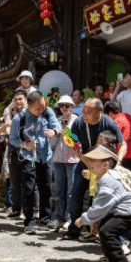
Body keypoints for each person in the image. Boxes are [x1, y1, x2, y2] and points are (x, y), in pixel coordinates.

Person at [75, 145, 131, 262]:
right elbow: (101, 205)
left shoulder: (109, 180)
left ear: (105, 165)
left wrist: (84, 219)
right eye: (90, 160)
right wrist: (95, 221)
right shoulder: (104, 177)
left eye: (94, 160)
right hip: (127, 212)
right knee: (104, 229)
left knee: (107, 231)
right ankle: (111, 257)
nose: (90, 163)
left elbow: (100, 206)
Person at [62, 98, 126, 241]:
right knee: (75, 194)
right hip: (85, 161)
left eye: (88, 112)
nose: (84, 114)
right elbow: (72, 142)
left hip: (103, 166)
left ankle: (98, 232)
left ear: (99, 113)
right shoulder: (78, 123)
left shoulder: (108, 123)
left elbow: (123, 144)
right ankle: (74, 230)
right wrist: (84, 159)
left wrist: (118, 162)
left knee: (99, 197)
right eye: (83, 110)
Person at [9, 91, 62, 234]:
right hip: (28, 157)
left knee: (45, 188)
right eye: (38, 108)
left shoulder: (47, 111)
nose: (41, 110)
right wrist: (25, 144)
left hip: (45, 156)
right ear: (29, 106)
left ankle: (45, 220)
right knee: (29, 189)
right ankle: (29, 221)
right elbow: (12, 139)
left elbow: (57, 125)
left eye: (43, 106)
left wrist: (54, 132)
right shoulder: (18, 119)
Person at [49, 95, 79, 231]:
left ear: (72, 107)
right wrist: (55, 133)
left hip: (73, 158)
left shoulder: (77, 120)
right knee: (60, 191)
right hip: (59, 157)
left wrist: (65, 130)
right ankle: (59, 217)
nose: (65, 108)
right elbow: (53, 143)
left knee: (71, 191)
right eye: (62, 106)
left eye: (67, 105)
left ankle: (69, 218)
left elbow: (76, 139)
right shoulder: (56, 121)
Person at [0, 89, 28, 218]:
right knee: (14, 181)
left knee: (27, 182)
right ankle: (16, 209)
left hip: (28, 152)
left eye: (21, 99)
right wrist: (5, 126)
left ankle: (27, 211)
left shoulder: (31, 114)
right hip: (13, 151)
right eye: (16, 99)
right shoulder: (11, 115)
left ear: (26, 100)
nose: (18, 101)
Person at [102, 101, 131, 172]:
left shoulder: (116, 122)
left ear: (110, 113)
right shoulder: (126, 118)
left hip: (123, 158)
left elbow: (111, 140)